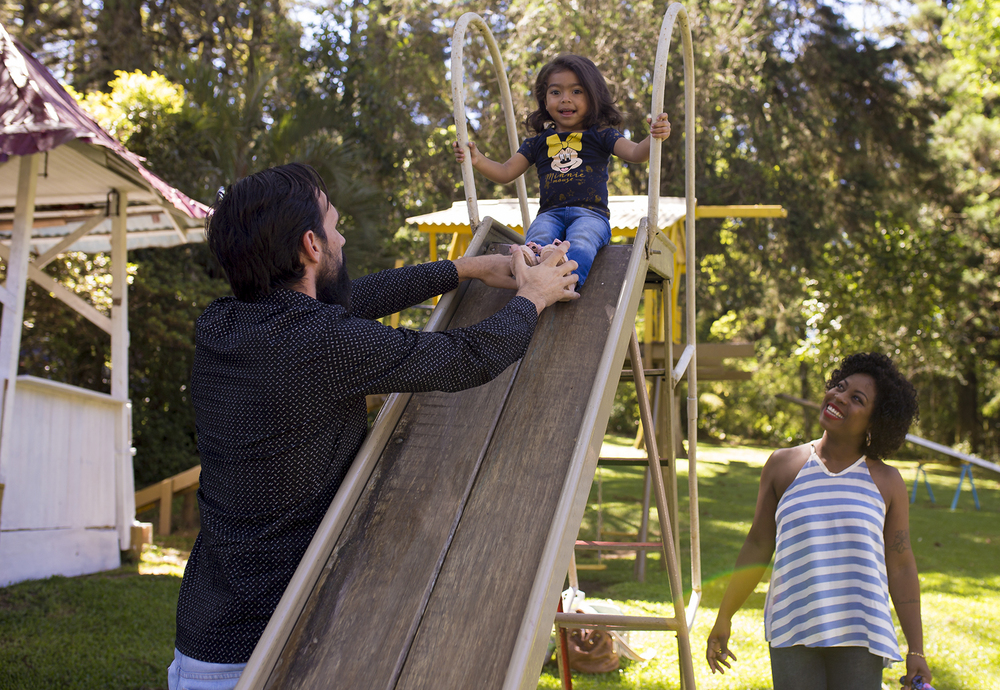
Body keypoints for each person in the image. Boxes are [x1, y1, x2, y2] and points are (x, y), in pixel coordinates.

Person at [168, 163, 578, 690]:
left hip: (205, 633)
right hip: (264, 652)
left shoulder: (224, 323)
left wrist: (466, 269)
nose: (343, 237)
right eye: (335, 227)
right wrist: (534, 296)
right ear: (311, 247)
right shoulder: (317, 343)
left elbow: (350, 300)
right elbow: (463, 358)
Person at [705, 352, 932, 690]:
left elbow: (900, 564)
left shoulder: (887, 482)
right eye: (839, 387)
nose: (839, 397)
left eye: (857, 398)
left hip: (860, 630)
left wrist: (917, 649)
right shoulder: (783, 465)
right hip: (792, 626)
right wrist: (725, 614)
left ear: (875, 421)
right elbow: (758, 543)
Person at [454, 53, 671, 290]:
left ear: (593, 97)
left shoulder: (601, 135)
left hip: (591, 214)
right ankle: (529, 267)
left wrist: (654, 137)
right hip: (550, 212)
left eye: (577, 91)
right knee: (537, 237)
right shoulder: (538, 142)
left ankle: (566, 282)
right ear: (544, 100)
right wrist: (478, 159)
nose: (565, 99)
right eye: (556, 92)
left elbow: (636, 153)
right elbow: (506, 172)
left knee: (582, 239)